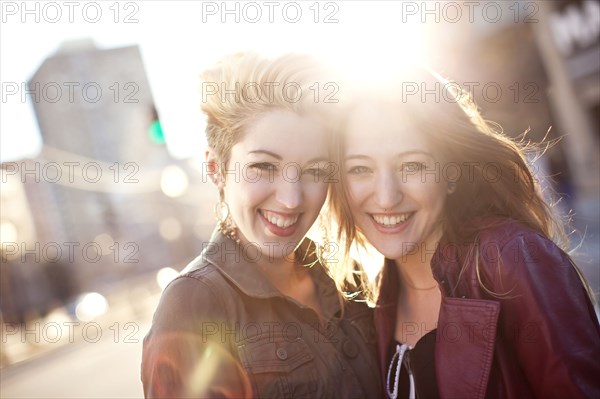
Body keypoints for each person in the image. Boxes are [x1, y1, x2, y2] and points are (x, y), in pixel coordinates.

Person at [327, 68, 600, 398]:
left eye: (412, 165)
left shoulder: (514, 259)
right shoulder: (373, 297)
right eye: (360, 169)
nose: (387, 197)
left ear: (452, 171)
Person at [141, 52, 381, 398]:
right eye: (264, 167)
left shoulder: (345, 275)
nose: (292, 200)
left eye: (314, 171)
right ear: (216, 170)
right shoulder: (194, 303)